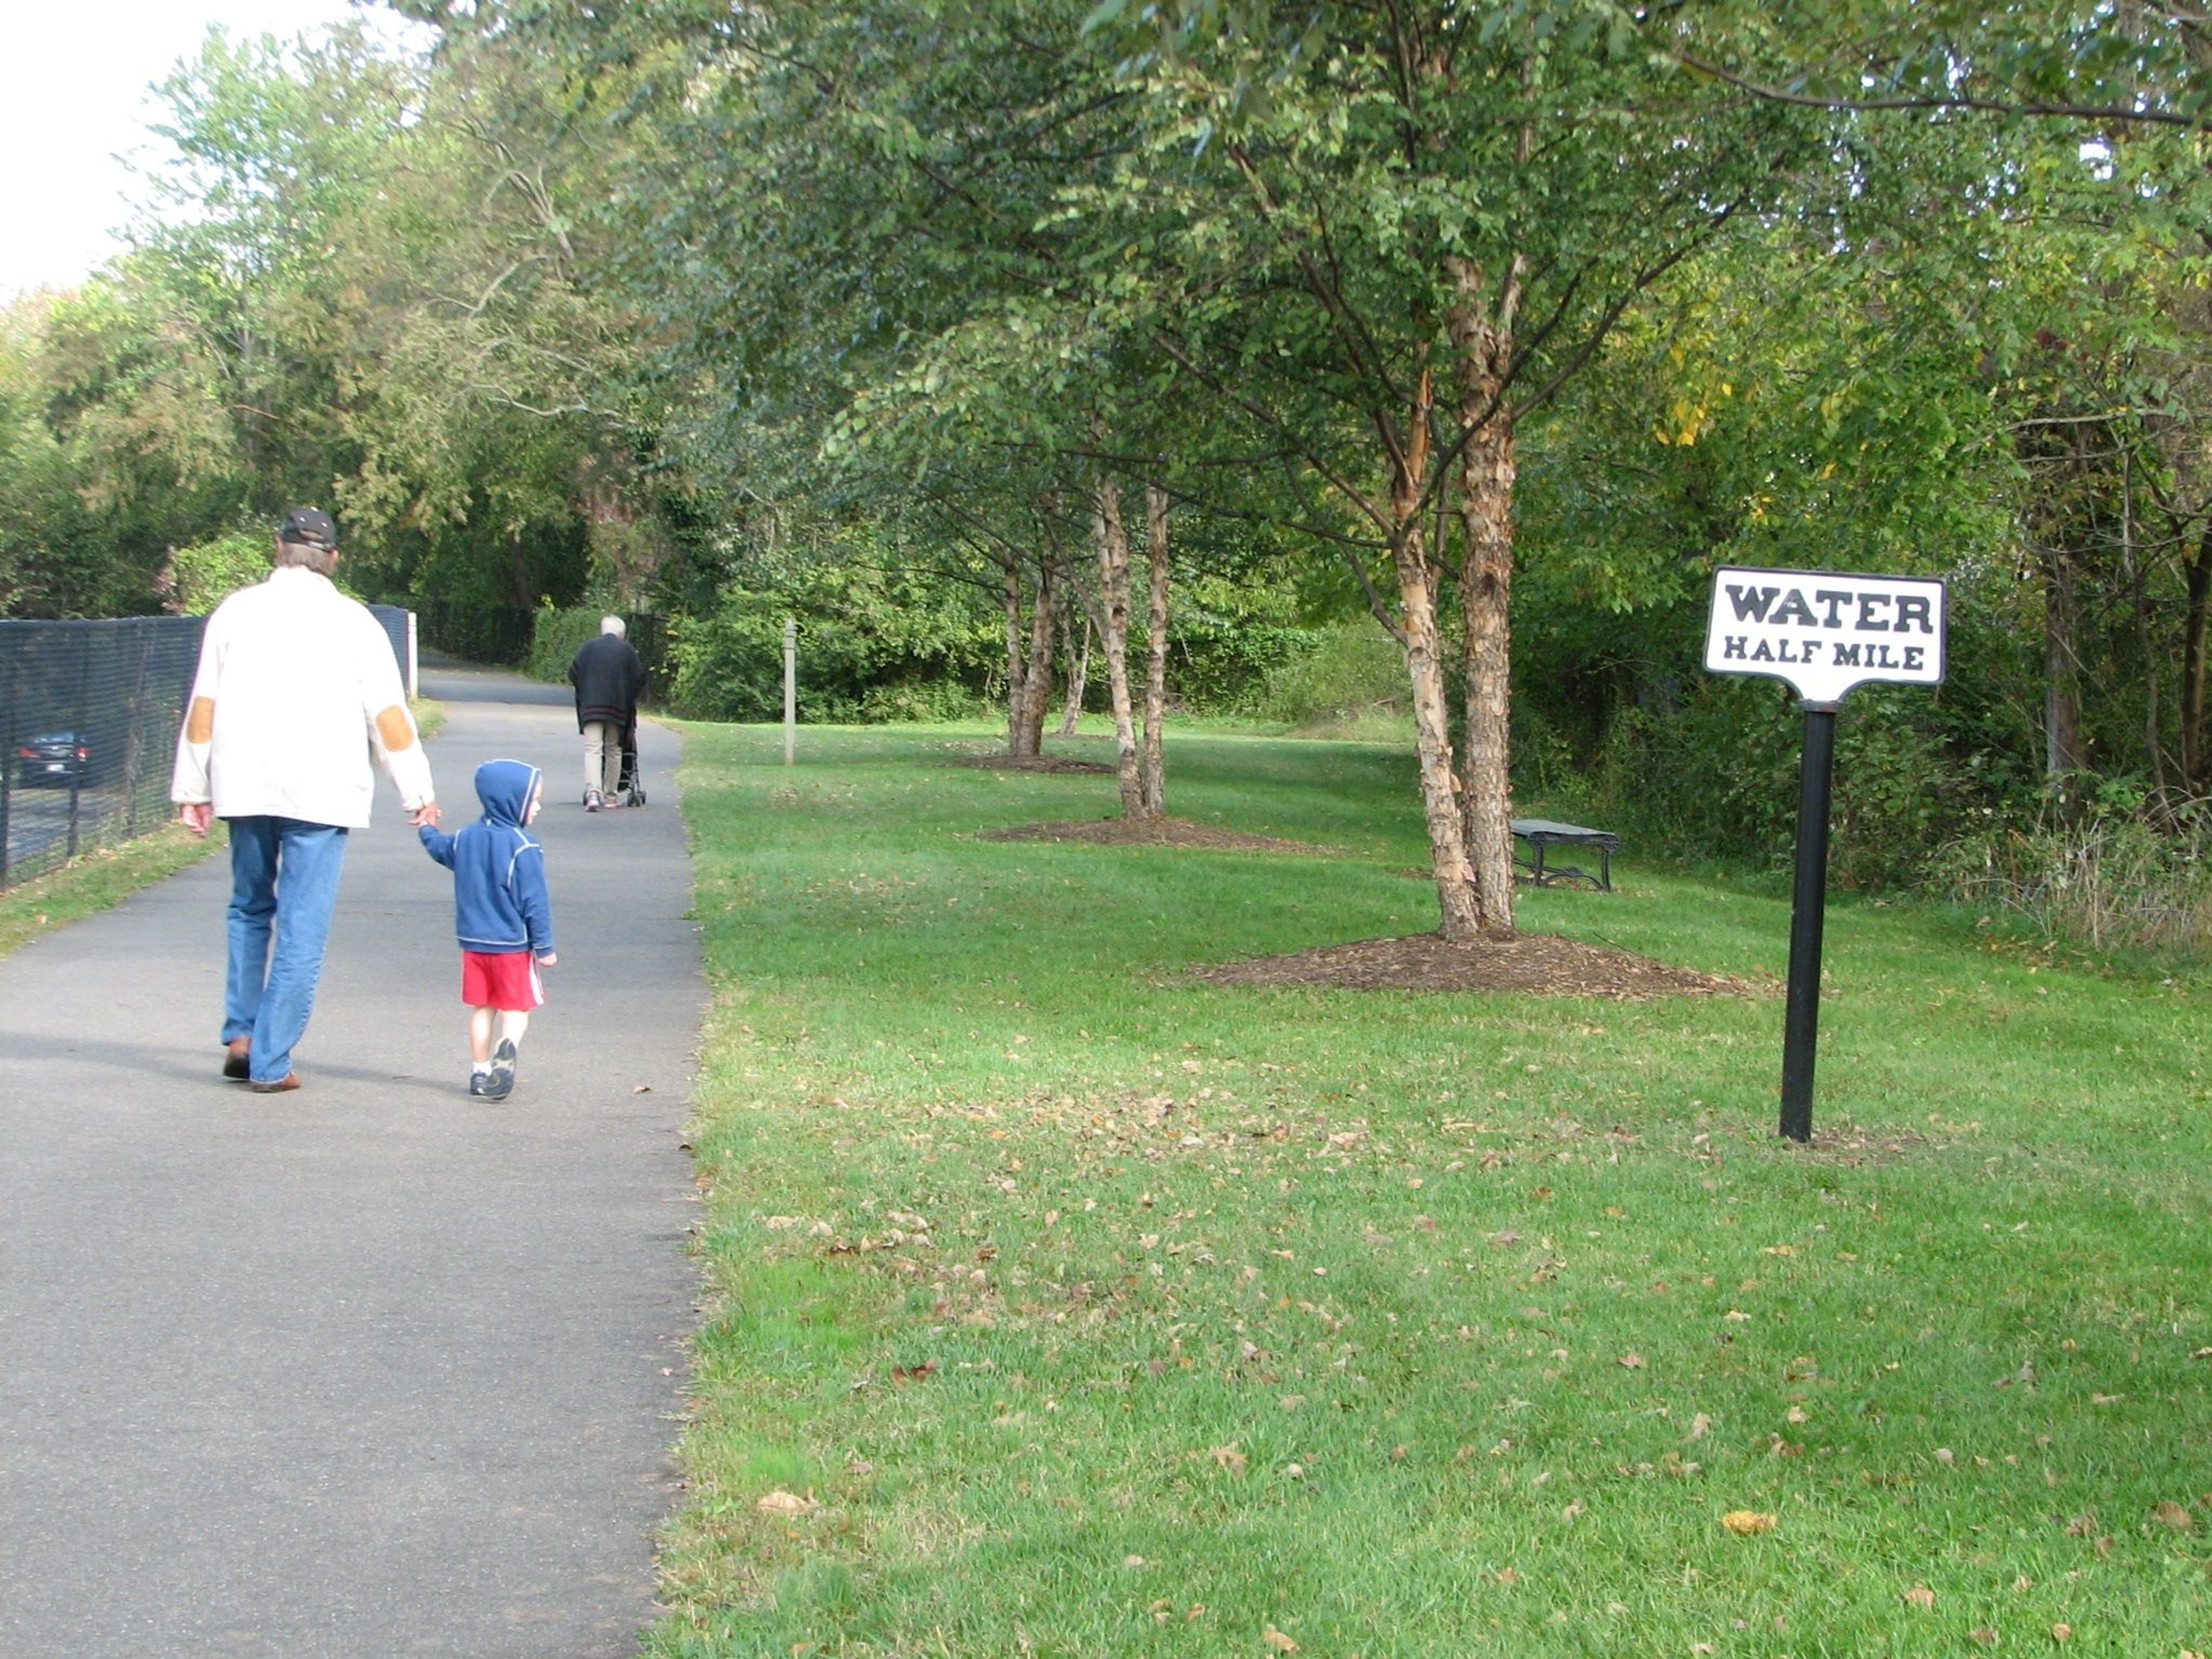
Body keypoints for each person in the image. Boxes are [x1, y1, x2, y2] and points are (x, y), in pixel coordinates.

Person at [171, 507, 440, 1093]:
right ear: (334, 558)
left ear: (279, 548)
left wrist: (192, 787)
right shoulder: (355, 623)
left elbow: (205, 705)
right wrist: (417, 791)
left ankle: (242, 1035)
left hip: (244, 783)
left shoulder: (235, 612)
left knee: (248, 907)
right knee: (302, 925)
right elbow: (388, 718)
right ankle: (270, 1061)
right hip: (324, 790)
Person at [417, 759, 557, 1099]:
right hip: (512, 944)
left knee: (483, 1009)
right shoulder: (524, 847)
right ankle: (506, 1049)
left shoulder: (465, 838)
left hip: (474, 945)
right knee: (516, 1010)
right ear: (513, 801)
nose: (537, 808)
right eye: (533, 800)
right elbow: (534, 902)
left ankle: (479, 1073)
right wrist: (545, 947)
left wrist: (427, 827)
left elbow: (438, 849)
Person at [567, 615, 647, 811]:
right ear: (622, 633)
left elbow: (573, 674)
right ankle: (611, 796)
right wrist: (628, 696)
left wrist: (587, 691)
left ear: (602, 630)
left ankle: (593, 794)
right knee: (614, 749)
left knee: (593, 749)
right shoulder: (627, 650)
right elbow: (639, 678)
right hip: (617, 708)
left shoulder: (587, 648)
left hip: (591, 707)